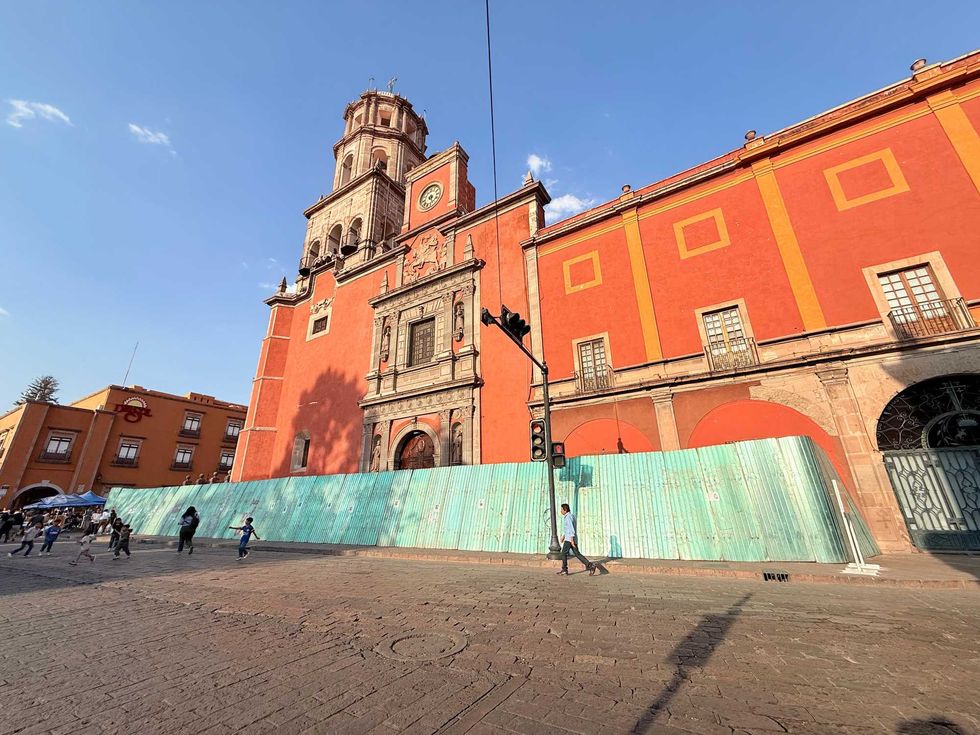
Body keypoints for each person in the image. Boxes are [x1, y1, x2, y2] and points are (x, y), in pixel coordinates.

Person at [557, 503, 596, 576]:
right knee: (577, 554)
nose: (561, 511)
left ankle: (564, 570)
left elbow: (571, 529)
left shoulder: (568, 517)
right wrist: (563, 536)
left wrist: (571, 540)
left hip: (569, 539)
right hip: (571, 538)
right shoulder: (571, 516)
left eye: (561, 509)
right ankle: (591, 566)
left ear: (565, 510)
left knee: (563, 554)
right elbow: (568, 528)